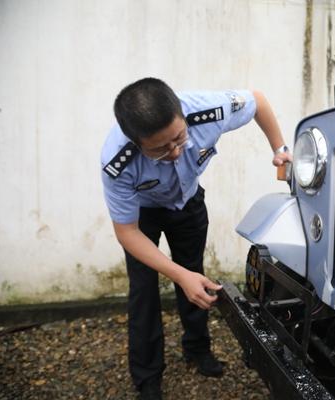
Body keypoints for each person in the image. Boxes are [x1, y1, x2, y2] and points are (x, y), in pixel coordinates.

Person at [100, 77, 291, 400]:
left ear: (181, 112)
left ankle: (198, 350)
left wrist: (280, 149)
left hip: (188, 203)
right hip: (143, 216)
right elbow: (126, 232)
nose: (175, 152)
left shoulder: (209, 110)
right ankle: (147, 377)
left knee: (194, 271)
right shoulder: (117, 163)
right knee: (143, 289)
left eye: (179, 138)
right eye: (160, 149)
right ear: (136, 142)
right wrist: (177, 275)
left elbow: (257, 99)